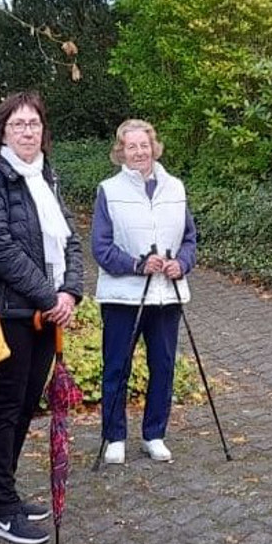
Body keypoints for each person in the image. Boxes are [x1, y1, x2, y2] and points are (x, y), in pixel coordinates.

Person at [0, 92, 83, 544]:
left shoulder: (46, 176)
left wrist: (70, 292)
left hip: (45, 312)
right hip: (13, 311)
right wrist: (47, 295)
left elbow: (71, 239)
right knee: (5, 406)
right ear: (2, 132)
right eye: (17, 124)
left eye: (33, 123)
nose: (27, 131)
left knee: (24, 405)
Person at [92, 119, 197, 464]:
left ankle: (155, 434)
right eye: (131, 146)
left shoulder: (176, 188)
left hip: (166, 295)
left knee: (163, 366)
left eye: (144, 145)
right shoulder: (108, 190)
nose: (138, 152)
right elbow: (101, 248)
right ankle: (115, 436)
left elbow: (189, 240)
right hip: (123, 296)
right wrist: (137, 264)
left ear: (154, 147)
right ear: (120, 151)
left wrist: (180, 263)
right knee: (117, 366)